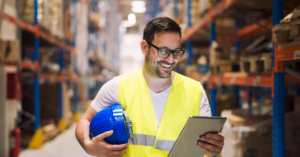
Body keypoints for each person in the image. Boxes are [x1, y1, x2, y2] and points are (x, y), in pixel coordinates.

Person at [75, 17, 225, 157]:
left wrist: (214, 148)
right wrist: (88, 145)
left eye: (176, 52)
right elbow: (85, 121)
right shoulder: (117, 87)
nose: (171, 59)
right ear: (144, 47)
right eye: (164, 51)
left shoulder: (196, 91)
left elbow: (205, 147)